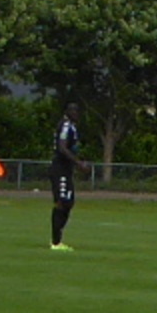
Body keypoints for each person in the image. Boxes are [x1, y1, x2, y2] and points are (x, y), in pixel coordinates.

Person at [49, 102, 91, 251]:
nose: (76, 114)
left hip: (66, 170)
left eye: (77, 111)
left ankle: (57, 238)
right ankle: (56, 242)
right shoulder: (66, 126)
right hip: (59, 169)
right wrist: (79, 163)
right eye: (73, 111)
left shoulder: (72, 127)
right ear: (67, 112)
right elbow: (62, 147)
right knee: (62, 202)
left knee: (68, 202)